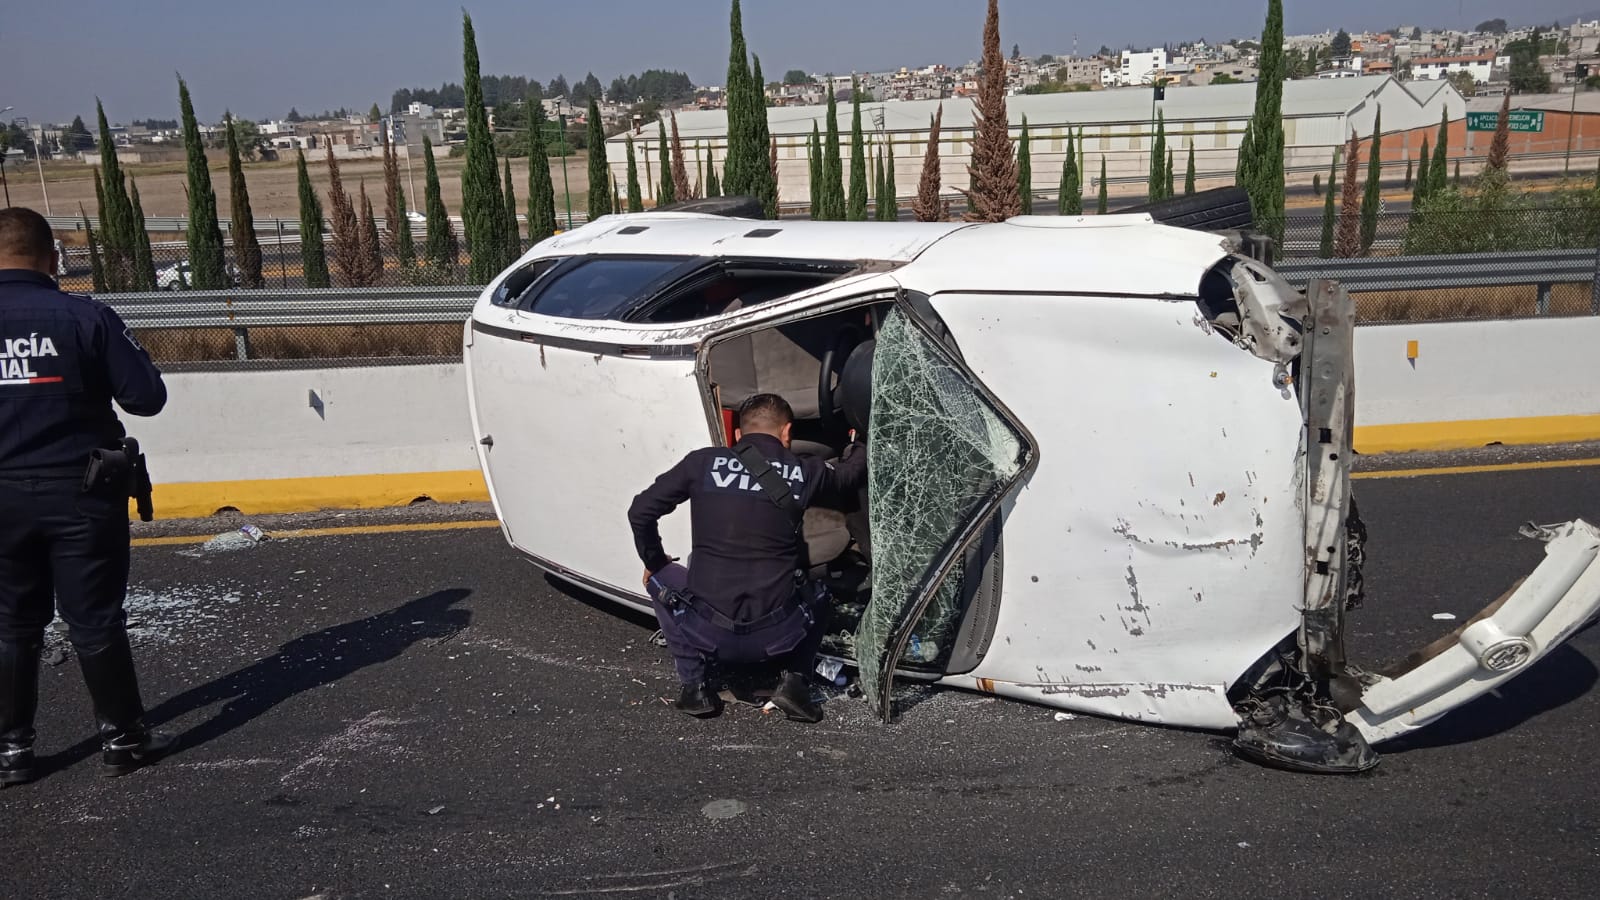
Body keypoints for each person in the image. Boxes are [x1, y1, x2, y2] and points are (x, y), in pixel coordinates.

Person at [0, 207, 176, 785]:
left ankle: (12, 751)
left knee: (11, 624)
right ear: (53, 260)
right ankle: (123, 740)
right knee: (95, 620)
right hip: (81, 495)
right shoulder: (85, 317)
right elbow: (146, 397)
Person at [628, 393, 867, 722]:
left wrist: (655, 561)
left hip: (708, 633)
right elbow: (849, 474)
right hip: (777, 637)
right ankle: (795, 684)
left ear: (738, 435)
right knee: (822, 592)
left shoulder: (701, 463)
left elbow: (640, 511)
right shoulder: (806, 472)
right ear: (786, 433)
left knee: (658, 579)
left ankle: (694, 687)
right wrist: (859, 442)